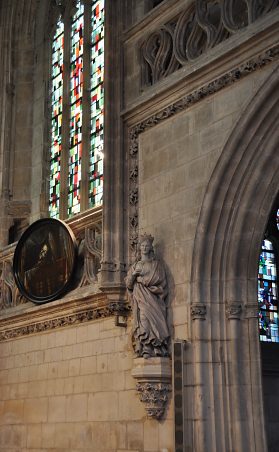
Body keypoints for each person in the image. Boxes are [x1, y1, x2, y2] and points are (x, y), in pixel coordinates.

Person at [126, 233, 170, 358]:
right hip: (140, 300)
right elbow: (129, 285)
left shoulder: (156, 265)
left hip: (154, 300)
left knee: (155, 323)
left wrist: (141, 280)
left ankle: (157, 348)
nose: (144, 248)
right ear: (140, 248)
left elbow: (159, 279)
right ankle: (146, 348)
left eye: (147, 246)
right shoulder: (135, 266)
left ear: (151, 248)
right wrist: (134, 275)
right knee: (143, 320)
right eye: (143, 246)